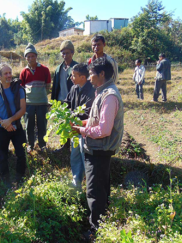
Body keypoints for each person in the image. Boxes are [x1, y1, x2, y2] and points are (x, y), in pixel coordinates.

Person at [71, 57, 124, 238]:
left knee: (93, 189)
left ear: (102, 74)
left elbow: (103, 129)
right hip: (97, 147)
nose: (90, 77)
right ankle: (103, 219)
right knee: (101, 185)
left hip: (99, 149)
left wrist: (82, 130)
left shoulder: (109, 95)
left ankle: (95, 230)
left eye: (92, 73)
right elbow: (97, 120)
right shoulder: (102, 92)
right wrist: (82, 122)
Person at [0, 63, 27, 185]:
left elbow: (22, 109)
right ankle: (6, 181)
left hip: (17, 127)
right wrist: (3, 123)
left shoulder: (18, 89)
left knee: (21, 154)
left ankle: (19, 178)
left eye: (10, 72)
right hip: (1, 129)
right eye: (6, 73)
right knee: (3, 156)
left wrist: (10, 120)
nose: (9, 75)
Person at [64, 63, 95, 189]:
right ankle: (76, 183)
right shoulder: (74, 88)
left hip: (84, 129)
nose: (71, 78)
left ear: (83, 77)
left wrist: (72, 116)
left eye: (74, 75)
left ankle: (90, 186)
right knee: (75, 156)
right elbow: (67, 102)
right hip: (74, 129)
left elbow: (88, 112)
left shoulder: (92, 91)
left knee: (85, 157)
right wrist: (62, 110)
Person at [20, 43, 51, 152]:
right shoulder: (24, 72)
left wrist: (41, 95)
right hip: (28, 104)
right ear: (25, 58)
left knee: (42, 124)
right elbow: (21, 89)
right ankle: (30, 145)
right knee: (29, 125)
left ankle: (42, 145)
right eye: (28, 56)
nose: (31, 58)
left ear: (36, 56)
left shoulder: (45, 69)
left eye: (33, 56)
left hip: (42, 103)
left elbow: (48, 86)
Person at [51, 40, 78, 151]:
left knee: (73, 123)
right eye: (63, 53)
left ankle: (75, 146)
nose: (65, 55)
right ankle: (65, 145)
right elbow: (55, 86)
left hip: (73, 101)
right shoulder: (59, 68)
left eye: (67, 53)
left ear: (72, 53)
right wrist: (53, 101)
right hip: (61, 100)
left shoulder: (76, 67)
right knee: (63, 123)